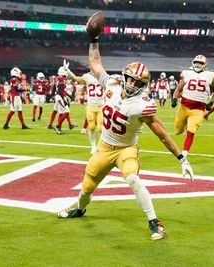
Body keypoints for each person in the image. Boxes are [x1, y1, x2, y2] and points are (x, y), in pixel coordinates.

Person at [57, 35, 194, 241]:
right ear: (124, 76)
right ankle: (80, 209)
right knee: (86, 189)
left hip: (126, 149)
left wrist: (181, 158)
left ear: (143, 85)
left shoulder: (143, 105)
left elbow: (162, 134)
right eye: (129, 79)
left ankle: (154, 222)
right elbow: (95, 62)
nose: (131, 84)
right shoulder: (112, 85)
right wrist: (94, 39)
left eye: (137, 82)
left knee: (132, 178)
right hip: (104, 147)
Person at [171, 55, 214, 157]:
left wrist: (211, 103)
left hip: (198, 109)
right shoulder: (187, 73)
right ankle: (185, 125)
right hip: (183, 108)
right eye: (196, 62)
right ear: (193, 63)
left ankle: (184, 154)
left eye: (201, 63)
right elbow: (179, 89)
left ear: (205, 65)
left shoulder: (210, 75)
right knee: (177, 131)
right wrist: (175, 99)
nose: (198, 64)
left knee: (191, 131)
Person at [63, 62, 105, 154]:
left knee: (101, 128)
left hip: (101, 106)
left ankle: (100, 146)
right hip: (91, 105)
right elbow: (77, 79)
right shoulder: (87, 76)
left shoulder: (104, 77)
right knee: (91, 127)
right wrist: (68, 70)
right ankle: (93, 146)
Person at [48, 67, 76, 134]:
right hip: (60, 97)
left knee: (61, 113)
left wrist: (68, 96)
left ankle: (59, 129)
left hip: (59, 96)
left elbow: (57, 88)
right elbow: (60, 90)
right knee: (66, 112)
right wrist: (64, 99)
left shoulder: (58, 78)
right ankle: (58, 126)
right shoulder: (62, 79)